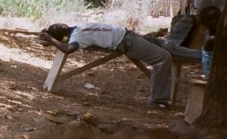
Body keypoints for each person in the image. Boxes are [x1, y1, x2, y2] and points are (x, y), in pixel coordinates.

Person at [40, 22, 175, 110]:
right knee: (163, 57)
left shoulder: (77, 31)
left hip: (129, 36)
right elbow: (69, 48)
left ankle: (195, 55)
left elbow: (64, 42)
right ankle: (158, 101)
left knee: (170, 49)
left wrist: (50, 38)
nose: (63, 23)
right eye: (60, 25)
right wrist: (51, 39)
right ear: (64, 28)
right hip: (128, 42)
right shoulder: (78, 34)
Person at [198, 5, 220, 79]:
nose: (214, 21)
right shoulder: (211, 40)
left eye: (217, 19)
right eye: (210, 19)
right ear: (204, 22)